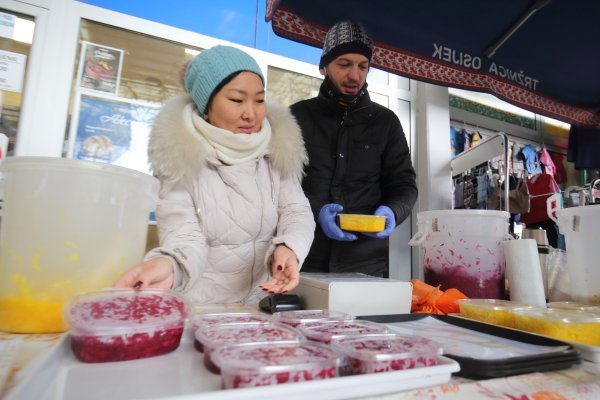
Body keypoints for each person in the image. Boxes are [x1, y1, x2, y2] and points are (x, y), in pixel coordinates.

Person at [115, 45, 315, 303]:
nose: (251, 114)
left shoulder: (275, 152)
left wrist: (289, 247)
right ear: (206, 106)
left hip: (260, 304)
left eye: (259, 100)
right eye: (236, 100)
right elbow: (183, 235)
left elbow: (297, 212)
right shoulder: (181, 160)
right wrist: (169, 265)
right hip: (202, 308)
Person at [290, 21, 417, 277]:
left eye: (363, 66)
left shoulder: (386, 123)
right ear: (324, 65)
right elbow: (280, 183)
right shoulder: (298, 116)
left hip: (367, 265)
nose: (355, 76)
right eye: (344, 64)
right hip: (305, 258)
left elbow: (404, 185)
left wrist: (392, 210)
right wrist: (317, 211)